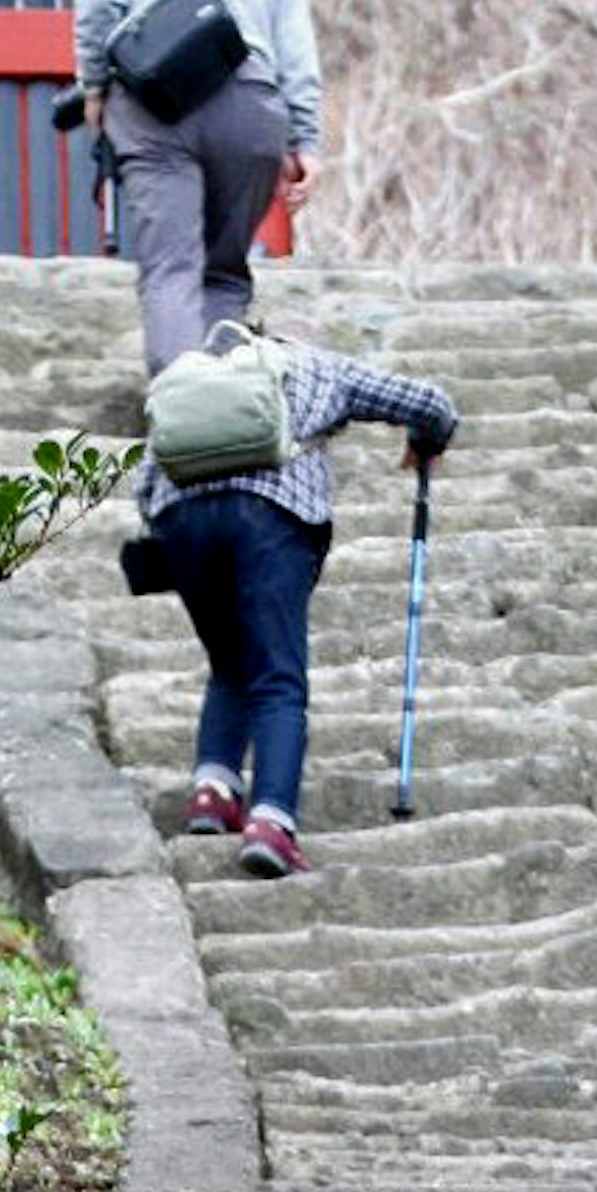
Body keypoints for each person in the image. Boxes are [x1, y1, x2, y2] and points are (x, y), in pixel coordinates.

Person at [130, 339, 459, 878]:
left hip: (181, 522)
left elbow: (146, 480)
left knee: (230, 663)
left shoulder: (186, 380)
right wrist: (428, 441)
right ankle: (272, 823)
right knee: (278, 677)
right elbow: (429, 403)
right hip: (271, 517)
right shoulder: (312, 364)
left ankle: (213, 791)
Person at [72, 0, 326, 373]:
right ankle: (227, 407)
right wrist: (306, 139)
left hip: (151, 105)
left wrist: (93, 84)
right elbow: (296, 48)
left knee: (171, 266)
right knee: (223, 270)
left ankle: (180, 408)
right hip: (252, 103)